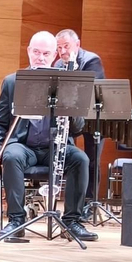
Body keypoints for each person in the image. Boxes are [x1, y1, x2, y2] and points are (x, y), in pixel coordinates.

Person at [0, 32, 95, 243]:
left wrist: (71, 103)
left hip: (55, 146)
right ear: (29, 51)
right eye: (36, 52)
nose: (40, 57)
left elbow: (77, 128)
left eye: (46, 53)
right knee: (11, 156)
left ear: (55, 55)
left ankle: (72, 222)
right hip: (23, 146)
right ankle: (17, 221)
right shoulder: (12, 82)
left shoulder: (67, 82)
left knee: (80, 159)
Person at [54, 28, 105, 205]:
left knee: (92, 160)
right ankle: (73, 202)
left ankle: (90, 202)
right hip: (70, 118)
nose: (62, 51)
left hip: (92, 118)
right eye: (59, 48)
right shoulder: (58, 64)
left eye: (66, 46)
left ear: (77, 44)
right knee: (71, 157)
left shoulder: (91, 60)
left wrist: (72, 71)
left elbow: (91, 90)